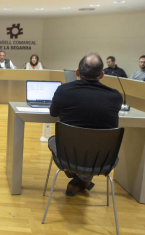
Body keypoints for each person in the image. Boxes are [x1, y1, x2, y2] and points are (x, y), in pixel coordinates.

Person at [49, 53, 123, 196]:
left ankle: (79, 178)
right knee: (94, 148)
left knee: (53, 140)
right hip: (103, 161)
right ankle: (82, 180)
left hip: (68, 157)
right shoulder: (115, 96)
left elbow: (53, 113)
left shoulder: (63, 90)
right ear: (102, 74)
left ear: (77, 72)